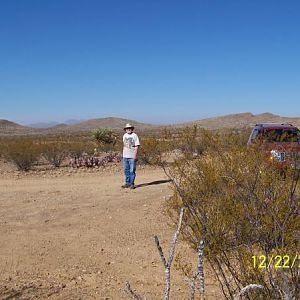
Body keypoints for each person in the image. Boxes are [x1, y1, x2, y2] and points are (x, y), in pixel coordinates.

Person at [122, 123, 140, 189]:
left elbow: (137, 146)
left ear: (132, 129)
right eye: (127, 128)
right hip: (125, 156)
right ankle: (127, 183)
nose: (128, 129)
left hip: (132, 156)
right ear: (125, 129)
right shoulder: (124, 135)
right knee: (126, 170)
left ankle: (132, 183)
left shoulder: (135, 135)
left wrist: (135, 155)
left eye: (129, 128)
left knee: (132, 170)